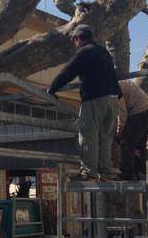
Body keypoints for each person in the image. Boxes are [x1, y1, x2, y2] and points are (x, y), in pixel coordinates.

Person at [46, 24, 122, 180]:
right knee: (105, 137)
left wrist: (52, 88)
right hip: (113, 100)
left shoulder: (85, 52)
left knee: (88, 134)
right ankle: (105, 170)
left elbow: (68, 71)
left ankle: (88, 172)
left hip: (95, 98)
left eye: (75, 39)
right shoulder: (103, 51)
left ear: (79, 38)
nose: (75, 43)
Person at [115, 80, 148, 180]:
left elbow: (122, 113)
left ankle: (125, 175)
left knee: (126, 142)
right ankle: (141, 173)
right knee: (139, 146)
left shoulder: (112, 88)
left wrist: (119, 131)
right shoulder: (119, 84)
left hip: (140, 112)